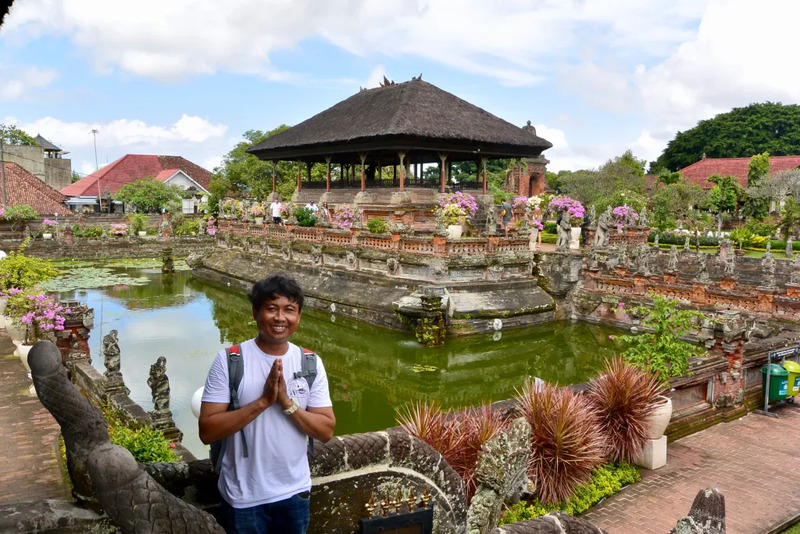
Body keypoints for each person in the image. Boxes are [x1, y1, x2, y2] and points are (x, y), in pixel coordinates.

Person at [199, 276, 335, 534]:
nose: (280, 318)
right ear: (255, 312)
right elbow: (207, 431)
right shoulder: (230, 361)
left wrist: (286, 402)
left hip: (295, 492)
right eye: (271, 308)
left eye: (289, 310)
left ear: (299, 316)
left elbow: (326, 431)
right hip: (243, 496)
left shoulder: (310, 363)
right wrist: (263, 402)